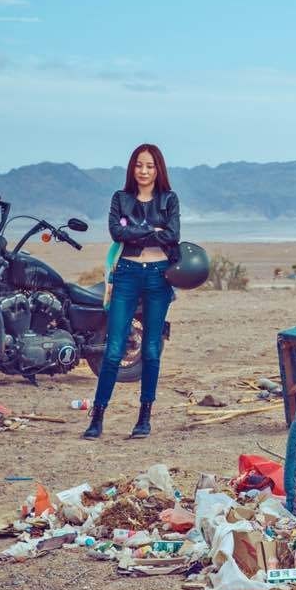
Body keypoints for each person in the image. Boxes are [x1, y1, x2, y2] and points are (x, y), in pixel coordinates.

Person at [83, 143, 180, 440]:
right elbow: (117, 232)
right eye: (139, 165)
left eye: (150, 166)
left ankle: (144, 418)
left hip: (158, 276)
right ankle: (97, 417)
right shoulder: (120, 198)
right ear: (132, 168)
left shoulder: (169, 199)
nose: (144, 171)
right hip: (126, 274)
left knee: (150, 349)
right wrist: (153, 232)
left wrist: (138, 232)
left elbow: (173, 235)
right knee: (113, 349)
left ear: (158, 169)